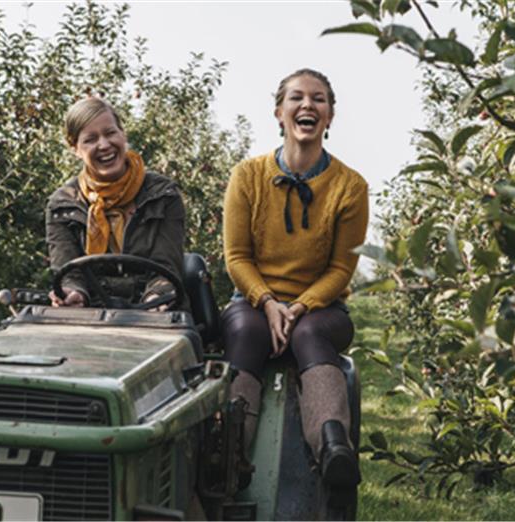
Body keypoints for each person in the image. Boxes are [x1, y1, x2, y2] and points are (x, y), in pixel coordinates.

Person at [221, 68, 369, 500]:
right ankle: (228, 454)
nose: (308, 105)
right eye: (297, 98)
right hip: (252, 300)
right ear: (279, 113)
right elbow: (237, 258)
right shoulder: (247, 177)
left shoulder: (349, 187)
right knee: (247, 332)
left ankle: (333, 447)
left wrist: (301, 305)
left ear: (330, 116)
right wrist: (267, 303)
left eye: (319, 99)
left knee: (310, 334)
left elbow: (342, 269)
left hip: (320, 308)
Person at [45, 97, 186, 309]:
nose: (104, 145)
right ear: (75, 148)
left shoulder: (164, 195)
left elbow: (166, 265)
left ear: (122, 133)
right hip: (90, 314)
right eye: (90, 139)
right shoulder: (62, 206)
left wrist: (157, 296)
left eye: (110, 133)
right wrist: (72, 292)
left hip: (157, 312)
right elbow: (68, 272)